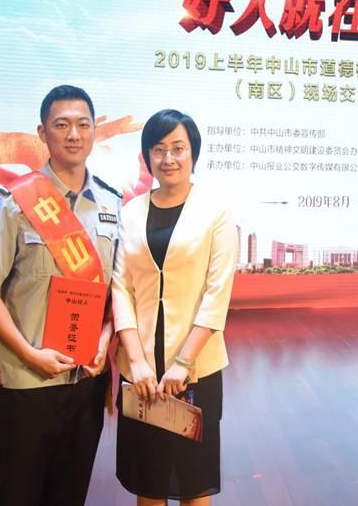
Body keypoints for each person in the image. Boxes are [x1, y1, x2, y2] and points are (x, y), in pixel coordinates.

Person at [0, 85, 121, 506]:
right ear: (42, 133)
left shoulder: (112, 205)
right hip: (29, 381)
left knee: (71, 493)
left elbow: (117, 294)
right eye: (61, 125)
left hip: (87, 380)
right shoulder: (15, 202)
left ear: (94, 131)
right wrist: (29, 354)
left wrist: (105, 341)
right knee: (20, 493)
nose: (74, 134)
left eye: (83, 124)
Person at [112, 109, 236, 506]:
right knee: (148, 478)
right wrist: (137, 361)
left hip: (196, 367)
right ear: (147, 156)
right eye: (159, 149)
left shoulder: (216, 210)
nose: (168, 158)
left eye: (178, 148)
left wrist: (183, 363)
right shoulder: (130, 212)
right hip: (141, 372)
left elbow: (217, 294)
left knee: (193, 480)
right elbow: (121, 288)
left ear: (193, 153)